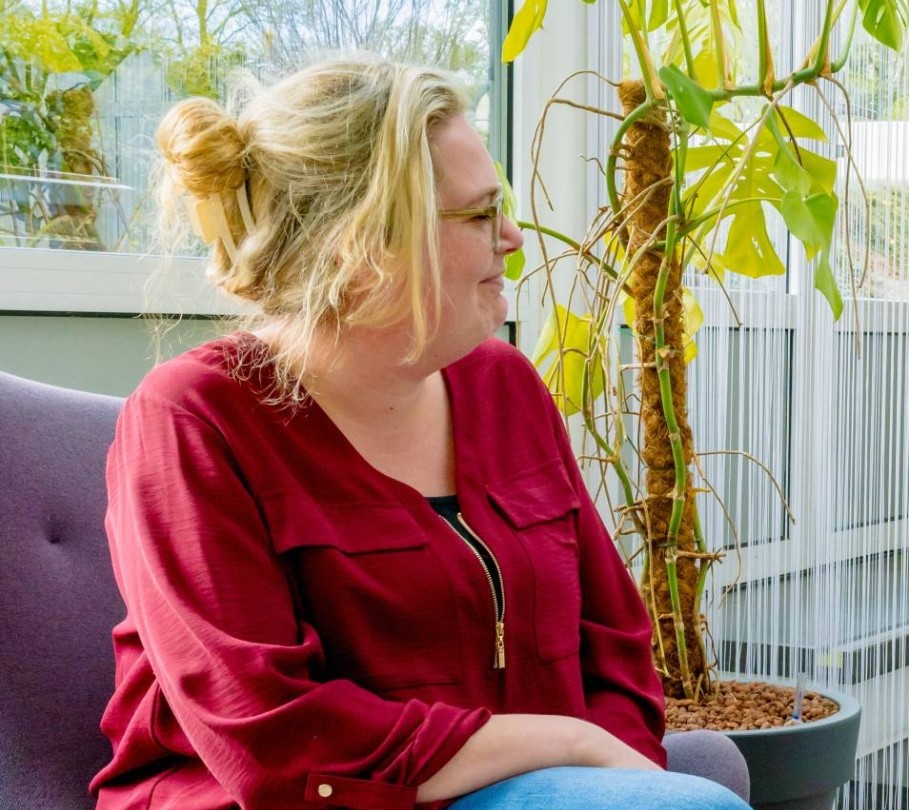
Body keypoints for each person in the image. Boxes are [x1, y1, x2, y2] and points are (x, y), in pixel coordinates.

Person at [91, 55, 748, 810]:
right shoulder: (193, 420)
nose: (512, 237)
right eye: (477, 214)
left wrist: (603, 773)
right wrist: (568, 743)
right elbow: (275, 738)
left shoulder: (504, 387)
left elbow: (617, 653)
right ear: (362, 242)